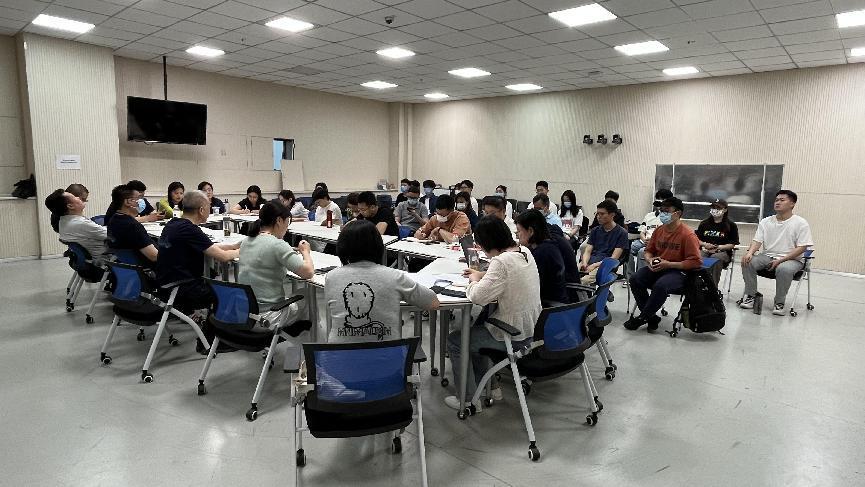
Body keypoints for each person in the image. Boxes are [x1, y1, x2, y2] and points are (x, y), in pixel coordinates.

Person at [444, 216, 542, 409]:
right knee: (476, 332)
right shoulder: (524, 251)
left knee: (456, 341)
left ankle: (466, 400)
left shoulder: (501, 261)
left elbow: (478, 297)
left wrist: (473, 280)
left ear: (487, 244)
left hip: (512, 334)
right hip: (532, 327)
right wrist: (482, 275)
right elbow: (508, 277)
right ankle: (491, 388)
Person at [325, 220, 439, 342]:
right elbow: (433, 303)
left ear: (341, 246)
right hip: (388, 354)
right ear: (378, 245)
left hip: (340, 354)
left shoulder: (331, 277)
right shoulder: (394, 277)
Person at [155, 190, 240, 353]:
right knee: (225, 293)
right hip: (180, 287)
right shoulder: (190, 229)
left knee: (217, 285)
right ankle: (211, 341)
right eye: (209, 206)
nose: (210, 209)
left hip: (166, 282)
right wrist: (243, 251)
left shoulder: (174, 224)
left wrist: (233, 246)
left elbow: (208, 247)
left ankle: (210, 331)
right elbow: (222, 257)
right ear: (201, 210)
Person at [624, 197, 702, 331]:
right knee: (635, 279)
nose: (662, 214)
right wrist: (649, 260)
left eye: (666, 211)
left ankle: (643, 317)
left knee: (661, 285)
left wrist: (669, 264)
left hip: (679, 272)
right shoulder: (659, 230)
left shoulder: (688, 235)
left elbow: (695, 262)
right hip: (659, 267)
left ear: (677, 213)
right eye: (661, 211)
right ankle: (652, 317)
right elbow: (648, 251)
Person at [238, 201, 314, 334]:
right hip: (267, 318)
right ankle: (310, 338)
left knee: (294, 296)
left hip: (244, 314)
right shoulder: (278, 244)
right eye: (287, 223)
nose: (287, 228)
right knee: (307, 295)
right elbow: (308, 273)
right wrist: (305, 252)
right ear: (279, 220)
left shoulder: (246, 241)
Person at [738, 190, 813, 316]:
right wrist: (750, 253)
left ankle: (779, 302)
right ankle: (751, 295)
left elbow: (802, 247)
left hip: (792, 259)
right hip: (767, 256)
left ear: (792, 204)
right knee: (747, 261)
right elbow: (757, 241)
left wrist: (780, 260)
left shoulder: (801, 223)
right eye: (776, 200)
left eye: (782, 200)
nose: (778, 202)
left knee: (784, 269)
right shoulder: (766, 221)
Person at [515, 210, 569, 305]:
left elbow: (531, 286)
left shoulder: (542, 253)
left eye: (519, 231)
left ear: (531, 231)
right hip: (557, 303)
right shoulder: (549, 245)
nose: (517, 235)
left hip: (549, 306)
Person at [45, 188, 108, 263]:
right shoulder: (81, 223)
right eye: (75, 197)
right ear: (70, 206)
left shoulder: (63, 221)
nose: (78, 197)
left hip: (92, 259)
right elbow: (113, 236)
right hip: (108, 259)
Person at [106, 184, 158, 265]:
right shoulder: (133, 226)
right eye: (138, 198)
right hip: (147, 268)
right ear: (128, 202)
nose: (142, 201)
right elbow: (154, 256)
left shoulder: (113, 220)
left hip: (127, 266)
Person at [580, 200, 629, 285]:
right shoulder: (595, 230)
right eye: (597, 214)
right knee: (570, 277)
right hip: (590, 262)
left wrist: (594, 265)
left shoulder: (622, 233)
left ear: (612, 215)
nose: (598, 217)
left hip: (607, 265)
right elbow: (588, 251)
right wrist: (584, 263)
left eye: (602, 214)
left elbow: (613, 258)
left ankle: (589, 292)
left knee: (583, 281)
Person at [696, 199, 740, 286]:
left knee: (715, 258)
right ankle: (697, 285)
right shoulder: (704, 224)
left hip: (722, 252)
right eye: (713, 207)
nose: (715, 210)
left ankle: (712, 287)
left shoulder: (731, 225)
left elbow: (732, 244)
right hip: (705, 250)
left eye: (718, 208)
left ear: (725, 210)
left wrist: (718, 247)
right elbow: (697, 240)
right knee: (698, 257)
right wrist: (705, 244)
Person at [631, 189, 672, 273]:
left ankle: (641, 275)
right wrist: (644, 239)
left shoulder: (668, 217)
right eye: (658, 200)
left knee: (642, 252)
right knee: (629, 247)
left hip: (658, 243)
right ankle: (630, 275)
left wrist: (652, 242)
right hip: (645, 241)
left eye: (663, 200)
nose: (659, 203)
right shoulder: (649, 215)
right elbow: (642, 231)